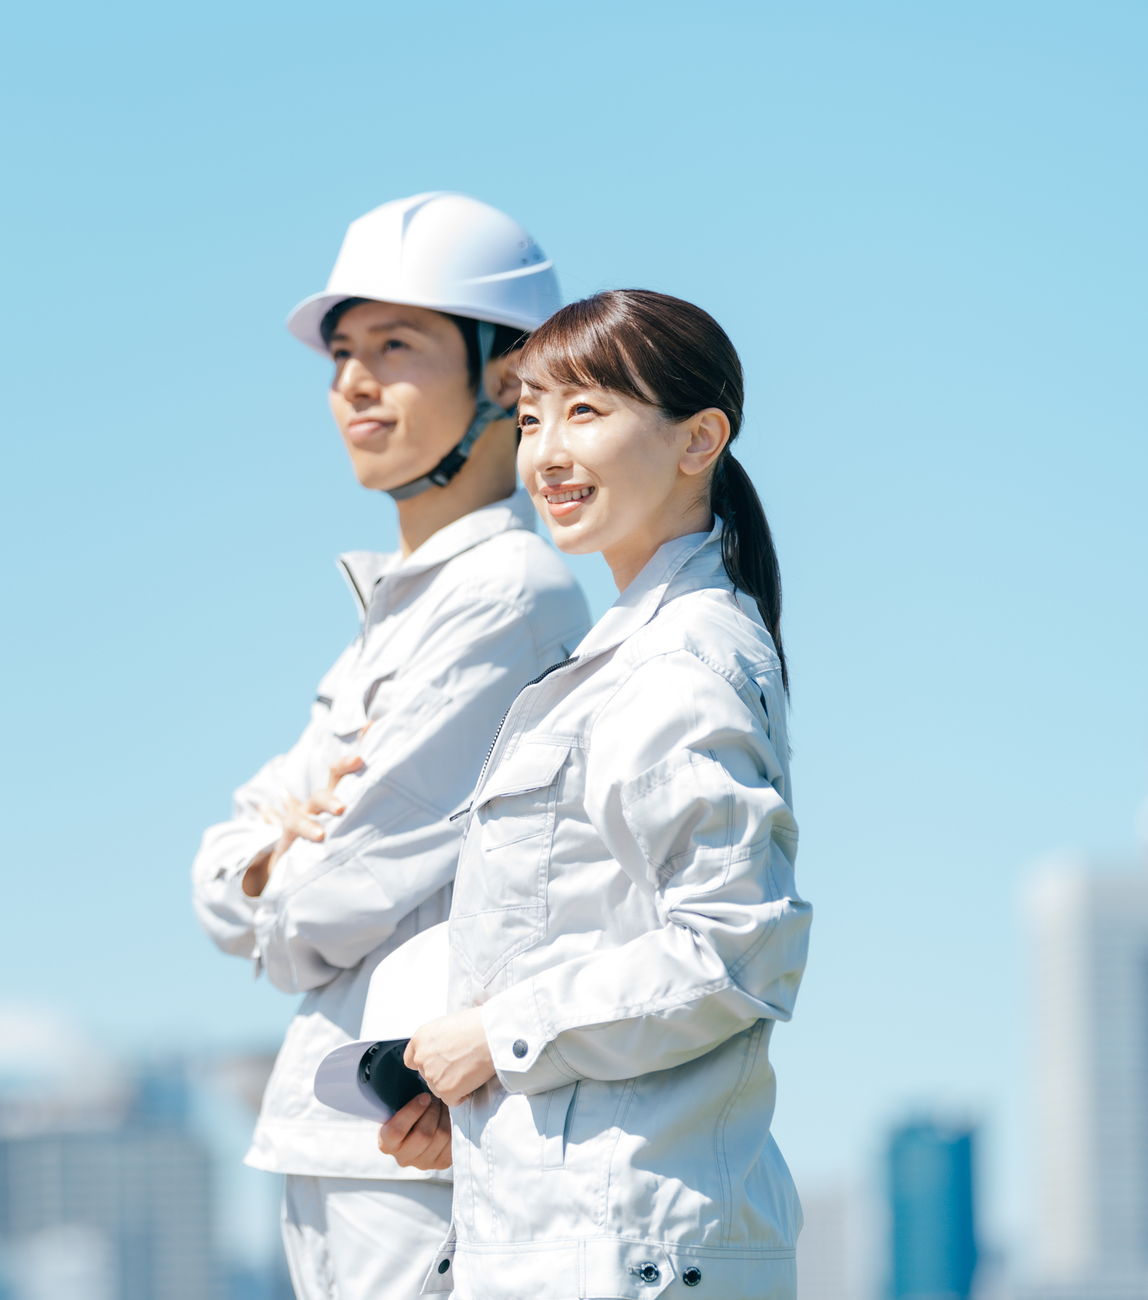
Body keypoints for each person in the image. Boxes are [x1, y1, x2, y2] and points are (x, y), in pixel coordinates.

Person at [192, 192, 593, 1300]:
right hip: (347, 1134)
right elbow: (224, 871)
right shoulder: (401, 616)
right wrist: (265, 864)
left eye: (396, 346)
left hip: (417, 1143)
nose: (353, 383)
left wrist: (278, 867)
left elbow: (327, 899)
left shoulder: (507, 595)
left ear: (507, 377)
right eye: (342, 355)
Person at [389, 290, 811, 1299]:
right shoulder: (624, 655)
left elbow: (731, 949)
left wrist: (498, 1037)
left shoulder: (677, 660)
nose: (545, 451)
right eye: (531, 417)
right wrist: (477, 1085)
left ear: (698, 439)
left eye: (584, 411)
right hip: (579, 1239)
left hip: (625, 1249)